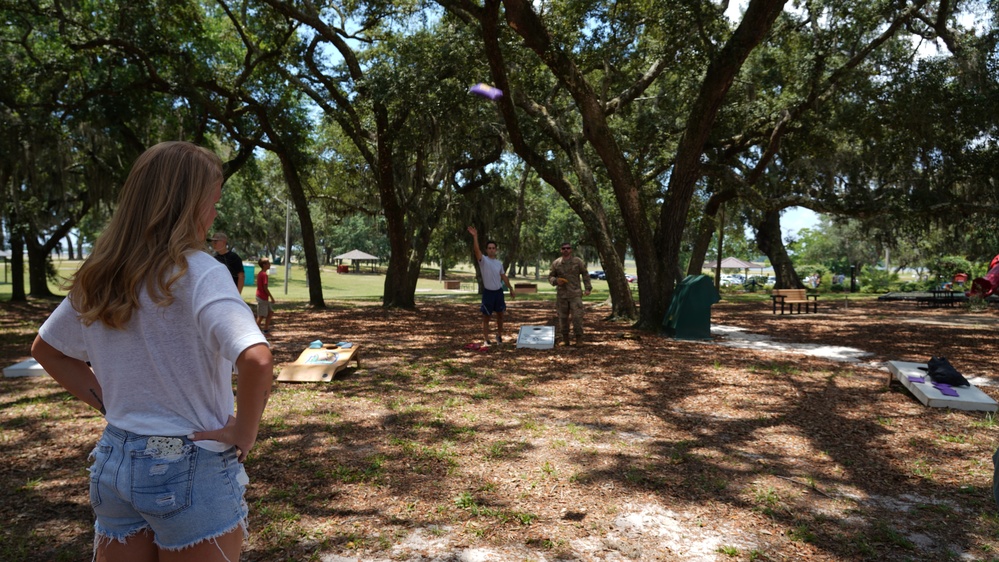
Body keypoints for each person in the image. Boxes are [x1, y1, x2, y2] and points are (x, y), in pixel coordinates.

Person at [30, 141, 273, 562]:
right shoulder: (202, 274)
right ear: (187, 206)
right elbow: (256, 358)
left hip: (115, 458)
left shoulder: (101, 275)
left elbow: (46, 350)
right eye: (212, 203)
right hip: (189, 464)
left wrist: (111, 406)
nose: (215, 215)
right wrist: (244, 433)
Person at [468, 226, 515, 345]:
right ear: (487, 250)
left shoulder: (499, 263)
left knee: (500, 315)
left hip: (498, 292)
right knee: (486, 317)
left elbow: (504, 277)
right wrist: (475, 237)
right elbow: (476, 251)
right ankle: (486, 339)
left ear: (496, 250)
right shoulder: (483, 260)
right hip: (488, 293)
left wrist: (510, 288)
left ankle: (499, 336)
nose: (491, 250)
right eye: (489, 248)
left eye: (493, 248)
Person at [548, 242, 592, 346]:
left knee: (577, 317)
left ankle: (579, 339)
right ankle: (565, 339)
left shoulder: (577, 261)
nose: (566, 250)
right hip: (562, 295)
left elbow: (585, 274)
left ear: (571, 250)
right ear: (561, 250)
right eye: (563, 248)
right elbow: (550, 277)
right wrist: (556, 281)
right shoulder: (556, 263)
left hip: (575, 294)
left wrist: (588, 288)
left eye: (568, 248)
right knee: (563, 318)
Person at [255, 257, 275, 333]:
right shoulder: (263, 275)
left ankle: (266, 329)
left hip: (263, 297)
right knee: (261, 315)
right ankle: (255, 332)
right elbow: (265, 288)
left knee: (270, 312)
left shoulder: (261, 273)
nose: (269, 264)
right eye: (268, 263)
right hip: (262, 297)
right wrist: (271, 297)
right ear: (264, 265)